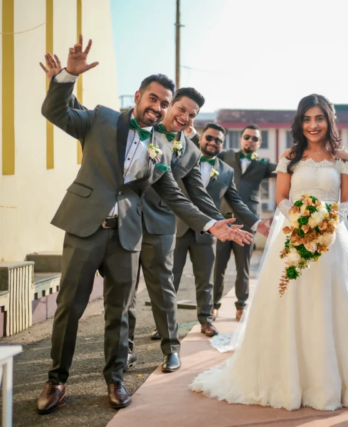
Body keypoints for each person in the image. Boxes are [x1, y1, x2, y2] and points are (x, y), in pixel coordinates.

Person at [36, 39, 249, 412]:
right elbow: (56, 111)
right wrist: (68, 76)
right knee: (70, 306)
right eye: (154, 99)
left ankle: (116, 379)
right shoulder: (102, 119)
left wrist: (211, 224)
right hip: (85, 227)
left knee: (120, 310)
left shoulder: (163, 149)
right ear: (138, 96)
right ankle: (57, 380)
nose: (158, 107)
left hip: (127, 235)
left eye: (164, 103)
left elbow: (176, 195)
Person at [190, 94, 348, 410]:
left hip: (333, 240)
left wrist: (328, 222)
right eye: (307, 119)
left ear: (329, 120)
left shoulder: (343, 158)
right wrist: (301, 222)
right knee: (290, 301)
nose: (313, 125)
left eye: (319, 118)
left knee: (335, 303)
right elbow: (282, 198)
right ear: (300, 123)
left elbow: (347, 200)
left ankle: (338, 380)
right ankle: (288, 378)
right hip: (294, 235)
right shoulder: (290, 156)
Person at [125, 88, 253, 372]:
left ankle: (171, 348)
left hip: (163, 223)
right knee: (125, 290)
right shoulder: (142, 129)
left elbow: (198, 194)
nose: (185, 117)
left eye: (191, 114)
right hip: (127, 219)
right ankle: (126, 350)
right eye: (181, 109)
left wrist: (216, 222)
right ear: (169, 106)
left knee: (164, 288)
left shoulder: (191, 151)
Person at [172, 122, 270, 336]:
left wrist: (256, 223)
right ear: (201, 138)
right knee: (171, 278)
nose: (213, 142)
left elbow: (236, 202)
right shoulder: (184, 158)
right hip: (179, 227)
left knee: (206, 280)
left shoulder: (226, 171)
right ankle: (164, 325)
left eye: (218, 140)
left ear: (222, 145)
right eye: (209, 137)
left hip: (209, 230)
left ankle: (206, 320)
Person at [214, 125, 276, 321]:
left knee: (243, 268)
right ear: (241, 139)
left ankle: (241, 305)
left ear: (260, 143)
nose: (250, 141)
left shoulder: (263, 164)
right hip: (224, 219)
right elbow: (204, 154)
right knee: (219, 266)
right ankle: (213, 305)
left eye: (254, 138)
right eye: (247, 137)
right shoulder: (226, 156)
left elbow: (285, 170)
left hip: (248, 222)